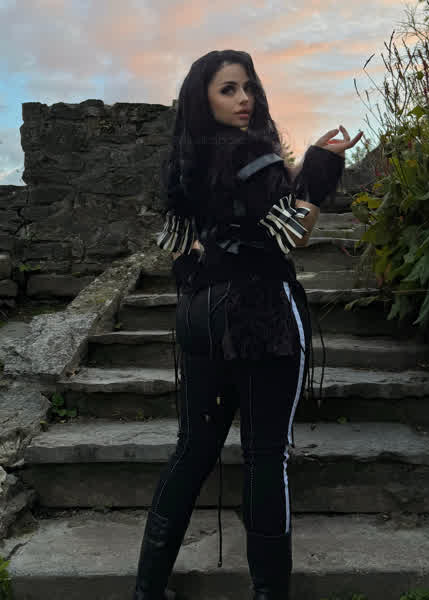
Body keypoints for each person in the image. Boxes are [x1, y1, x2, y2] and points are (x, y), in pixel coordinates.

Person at [132, 49, 364, 600]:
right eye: (228, 89)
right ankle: (268, 593)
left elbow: (178, 242)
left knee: (193, 450)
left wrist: (298, 169)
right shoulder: (254, 152)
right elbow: (292, 232)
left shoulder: (185, 161)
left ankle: (147, 589)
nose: (245, 99)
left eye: (248, 87)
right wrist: (319, 172)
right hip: (261, 315)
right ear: (204, 98)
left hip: (200, 315)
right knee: (265, 458)